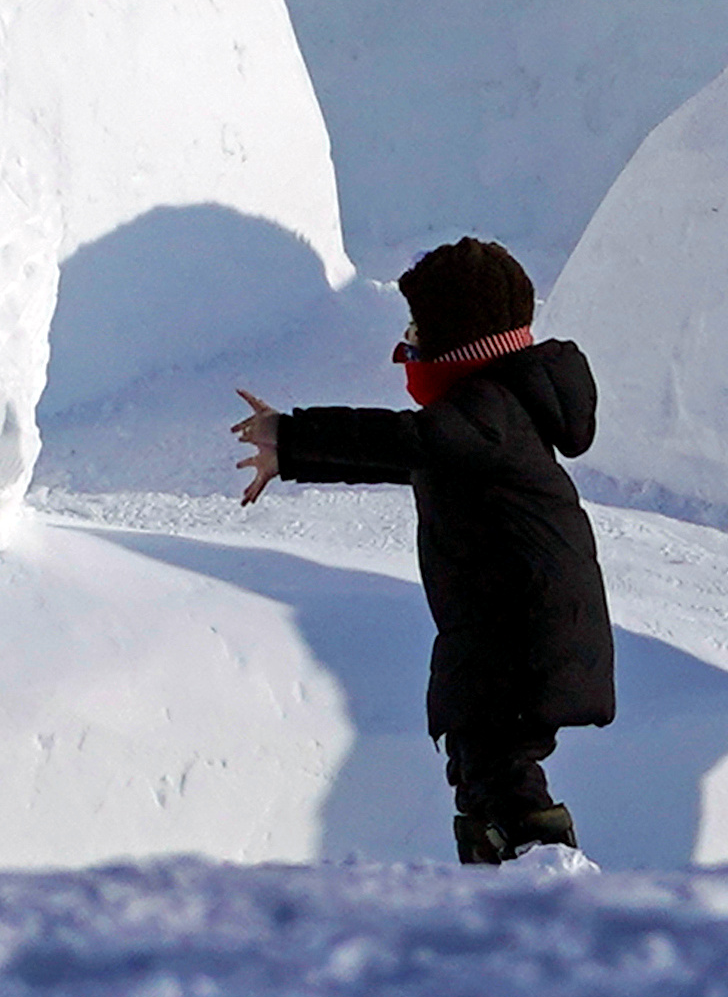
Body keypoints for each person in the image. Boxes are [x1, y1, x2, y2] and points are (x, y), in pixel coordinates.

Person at [232, 237, 615, 865]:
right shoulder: (486, 419)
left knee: (498, 772)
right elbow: (413, 461)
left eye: (416, 329)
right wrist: (294, 458)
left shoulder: (487, 411)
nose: (401, 348)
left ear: (458, 342)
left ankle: (542, 880)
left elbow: (403, 442)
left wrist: (294, 431)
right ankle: (513, 881)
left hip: (519, 635)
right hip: (510, 631)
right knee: (482, 765)